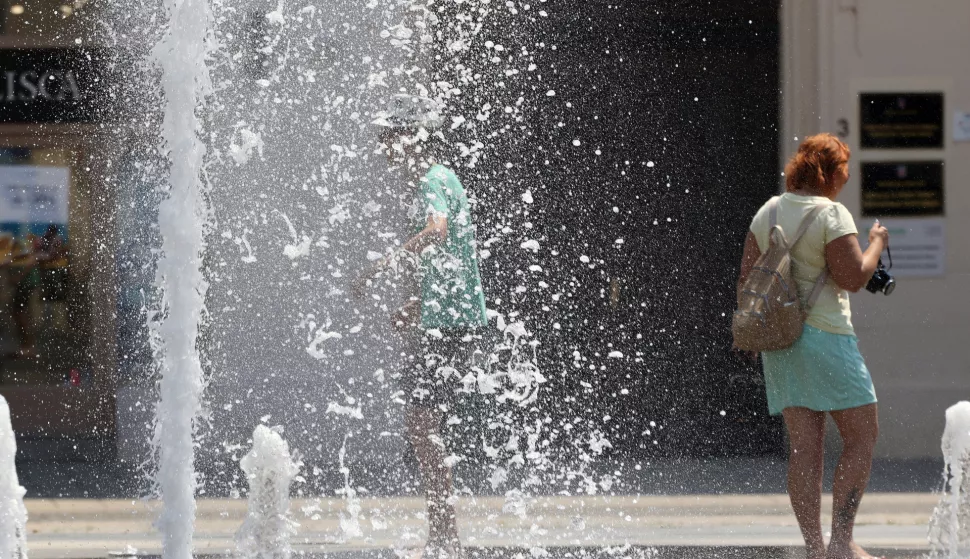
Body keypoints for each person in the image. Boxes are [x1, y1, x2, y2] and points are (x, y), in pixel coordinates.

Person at [735, 133, 889, 559]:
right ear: (830, 172)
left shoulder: (767, 211)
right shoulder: (832, 214)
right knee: (862, 435)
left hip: (780, 344)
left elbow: (748, 279)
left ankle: (815, 549)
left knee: (805, 450)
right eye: (844, 168)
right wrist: (877, 241)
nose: (848, 175)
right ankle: (842, 542)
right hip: (826, 338)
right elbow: (853, 277)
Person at [355, 94, 487, 559]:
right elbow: (450, 261)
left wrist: (383, 264)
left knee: (422, 427)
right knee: (424, 428)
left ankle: (446, 537)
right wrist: (418, 301)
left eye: (389, 138)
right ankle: (443, 534)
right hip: (448, 318)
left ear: (410, 137)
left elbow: (438, 231)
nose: (384, 149)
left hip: (449, 326)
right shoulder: (444, 176)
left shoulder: (431, 180)